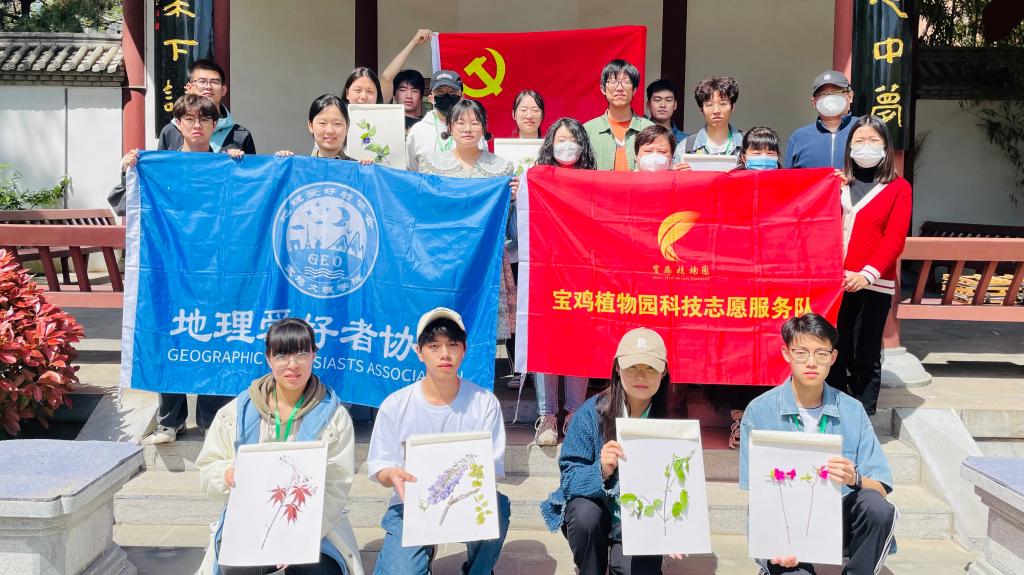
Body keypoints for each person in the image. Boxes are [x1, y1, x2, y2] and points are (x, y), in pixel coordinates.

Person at [110, 94, 244, 442]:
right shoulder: (159, 167)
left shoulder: (228, 165)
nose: (197, 125)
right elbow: (126, 206)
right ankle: (170, 420)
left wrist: (240, 167)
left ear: (215, 125)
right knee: (169, 334)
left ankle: (212, 420)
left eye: (205, 119)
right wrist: (130, 171)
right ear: (177, 124)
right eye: (189, 119)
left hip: (215, 270)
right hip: (170, 269)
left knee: (216, 336)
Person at [194, 317, 363, 575]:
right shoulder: (237, 413)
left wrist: (297, 536)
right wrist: (226, 474)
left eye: (301, 353)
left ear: (314, 355)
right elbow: (209, 465)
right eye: (282, 355)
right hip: (250, 521)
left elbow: (336, 486)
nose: (292, 365)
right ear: (268, 358)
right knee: (236, 566)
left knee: (317, 569)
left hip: (313, 525)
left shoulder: (334, 417)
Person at [739, 313, 897, 575]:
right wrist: (774, 544)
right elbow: (759, 494)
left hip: (838, 520)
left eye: (821, 354)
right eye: (801, 353)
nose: (811, 362)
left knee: (876, 507)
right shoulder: (760, 411)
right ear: (786, 354)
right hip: (784, 523)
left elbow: (880, 486)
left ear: (833, 358)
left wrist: (854, 478)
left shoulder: (852, 410)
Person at [367, 307, 510, 575]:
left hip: (466, 499)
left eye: (452, 345)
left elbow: (491, 467)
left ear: (464, 350)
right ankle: (421, 550)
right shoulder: (396, 405)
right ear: (419, 352)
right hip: (410, 505)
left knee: (497, 506)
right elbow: (381, 466)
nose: (445, 354)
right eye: (434, 346)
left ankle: (477, 570)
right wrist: (392, 474)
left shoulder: (484, 403)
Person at [541, 328, 685, 574]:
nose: (641, 375)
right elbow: (569, 478)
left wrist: (675, 527)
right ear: (617, 368)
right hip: (599, 508)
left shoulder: (674, 422)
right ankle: (590, 567)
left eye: (650, 367)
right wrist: (601, 470)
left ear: (663, 372)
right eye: (632, 366)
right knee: (584, 515)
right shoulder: (590, 413)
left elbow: (682, 484)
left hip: (642, 519)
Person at [826, 116, 911, 416]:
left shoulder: (899, 188)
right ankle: (834, 407)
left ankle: (863, 414)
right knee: (835, 346)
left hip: (874, 283)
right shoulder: (837, 184)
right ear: (849, 147)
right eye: (859, 141)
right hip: (835, 283)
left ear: (885, 146)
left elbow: (894, 239)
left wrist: (867, 274)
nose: (866, 147)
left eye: (873, 141)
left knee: (867, 350)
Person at [417, 99, 517, 346]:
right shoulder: (431, 165)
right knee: (443, 321)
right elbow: (424, 210)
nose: (467, 128)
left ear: (484, 127)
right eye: (460, 122)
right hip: (444, 256)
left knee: (481, 324)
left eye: (475, 122)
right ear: (449, 127)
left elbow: (505, 219)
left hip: (485, 256)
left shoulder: (501, 168)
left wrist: (515, 197)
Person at [529, 117, 596, 444]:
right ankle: (548, 417)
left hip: (583, 273)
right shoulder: (538, 179)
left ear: (583, 146)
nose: (567, 146)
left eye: (573, 140)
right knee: (545, 340)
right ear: (550, 145)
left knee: (579, 341)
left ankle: (575, 413)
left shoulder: (594, 182)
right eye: (561, 140)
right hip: (546, 271)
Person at [157, 59, 256, 154]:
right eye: (202, 81)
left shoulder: (240, 135)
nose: (208, 87)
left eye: (214, 82)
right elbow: (162, 164)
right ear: (189, 88)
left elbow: (250, 166)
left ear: (223, 90)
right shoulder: (170, 131)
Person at [406, 70, 486, 172]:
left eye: (453, 92)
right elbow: (412, 171)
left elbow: (482, 166)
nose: (447, 96)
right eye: (440, 92)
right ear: (431, 98)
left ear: (462, 97)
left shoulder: (474, 130)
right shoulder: (418, 131)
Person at [584, 59, 653, 171]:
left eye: (626, 82)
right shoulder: (588, 130)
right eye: (613, 81)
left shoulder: (649, 129)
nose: (619, 88)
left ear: (634, 90)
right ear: (603, 89)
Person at [785, 71, 858, 169]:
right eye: (822, 94)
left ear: (850, 96)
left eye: (836, 92)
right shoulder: (798, 138)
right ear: (814, 102)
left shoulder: (864, 129)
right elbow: (789, 176)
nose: (829, 98)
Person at [274, 94, 371, 163]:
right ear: (310, 126)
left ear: (347, 126)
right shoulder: (300, 168)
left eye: (337, 124)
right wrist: (281, 164)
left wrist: (368, 171)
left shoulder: (356, 169)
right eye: (322, 123)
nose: (330, 131)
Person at [674, 76, 743, 163]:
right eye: (709, 105)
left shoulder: (748, 144)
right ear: (701, 109)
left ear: (732, 107)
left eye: (723, 104)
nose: (716, 111)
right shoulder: (685, 147)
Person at [645, 78, 687, 144]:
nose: (663, 105)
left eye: (668, 100)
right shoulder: (638, 135)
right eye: (657, 100)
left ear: (675, 105)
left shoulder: (685, 141)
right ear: (648, 104)